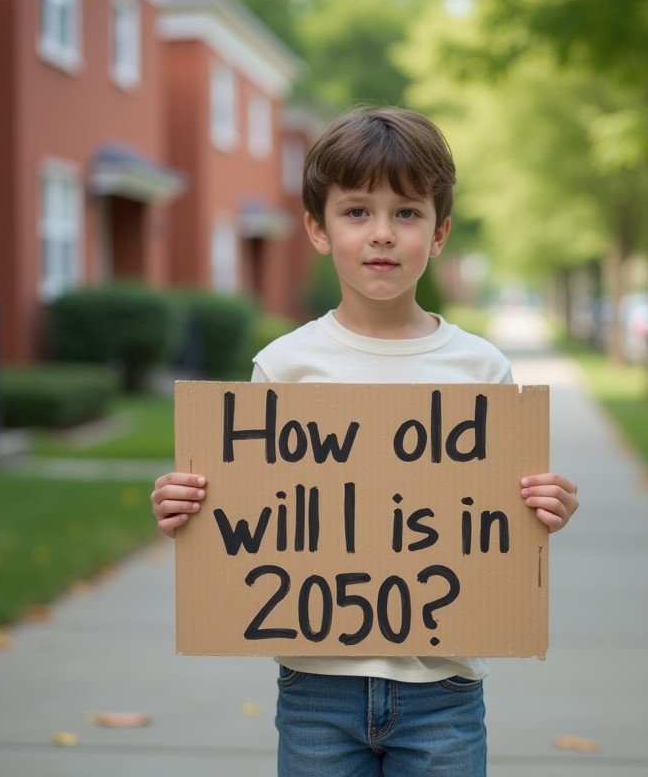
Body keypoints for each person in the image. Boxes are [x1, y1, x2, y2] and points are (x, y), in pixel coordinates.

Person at [151, 107, 579, 776]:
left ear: (439, 233)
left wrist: (545, 507)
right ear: (318, 230)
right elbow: (249, 512)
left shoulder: (482, 370)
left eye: (406, 213)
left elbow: (501, 518)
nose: (382, 234)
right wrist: (188, 507)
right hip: (316, 689)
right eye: (357, 212)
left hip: (444, 690)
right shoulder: (283, 366)